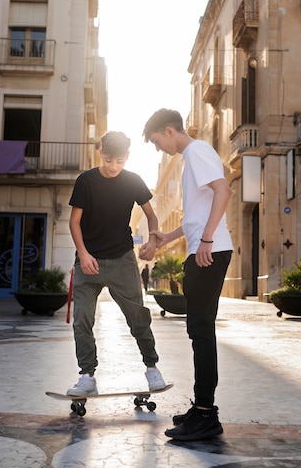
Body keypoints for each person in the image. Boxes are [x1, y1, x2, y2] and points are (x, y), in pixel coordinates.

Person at [143, 109, 233, 441]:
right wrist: (170, 236)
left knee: (201, 329)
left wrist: (207, 239)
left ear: (170, 131)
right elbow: (198, 212)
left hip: (209, 250)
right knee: (199, 330)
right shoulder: (192, 157)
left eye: (156, 141)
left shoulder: (197, 152)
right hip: (202, 247)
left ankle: (206, 415)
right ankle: (202, 408)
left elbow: (224, 192)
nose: (157, 149)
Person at [67, 131, 166, 396]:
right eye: (109, 159)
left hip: (122, 260)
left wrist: (153, 241)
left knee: (138, 317)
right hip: (89, 261)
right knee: (81, 319)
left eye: (119, 161)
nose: (113, 166)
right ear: (101, 153)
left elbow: (151, 216)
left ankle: (152, 368)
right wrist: (83, 254)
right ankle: (87, 376)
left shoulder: (133, 181)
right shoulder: (86, 181)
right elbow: (74, 221)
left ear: (127, 158)